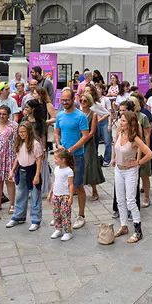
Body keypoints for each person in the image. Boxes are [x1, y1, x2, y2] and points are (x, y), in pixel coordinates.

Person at [112, 111, 152, 243]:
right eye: (120, 119)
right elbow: (116, 147)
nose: (120, 122)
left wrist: (138, 162)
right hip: (118, 169)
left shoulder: (135, 139)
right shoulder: (120, 133)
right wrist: (114, 158)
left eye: (123, 120)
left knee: (130, 200)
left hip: (130, 171)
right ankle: (123, 226)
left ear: (130, 123)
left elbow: (149, 153)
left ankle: (138, 230)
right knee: (120, 200)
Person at [55, 89, 89, 228]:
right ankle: (62, 214)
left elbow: (85, 136)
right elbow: (57, 133)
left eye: (67, 100)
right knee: (61, 185)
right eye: (62, 100)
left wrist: (72, 149)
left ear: (73, 99)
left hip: (77, 155)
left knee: (77, 185)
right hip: (63, 156)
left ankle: (81, 215)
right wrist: (58, 144)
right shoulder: (60, 115)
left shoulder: (80, 116)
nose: (64, 102)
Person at [7, 123, 44, 231]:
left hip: (32, 171)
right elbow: (17, 158)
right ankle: (18, 216)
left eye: (23, 132)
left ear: (29, 132)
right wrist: (12, 171)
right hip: (21, 171)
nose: (21, 134)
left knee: (35, 196)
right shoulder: (19, 143)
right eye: (20, 132)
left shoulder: (35, 144)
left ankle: (35, 220)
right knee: (20, 195)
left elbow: (39, 160)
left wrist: (37, 175)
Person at [79, 93, 105, 200]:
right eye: (81, 101)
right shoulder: (79, 114)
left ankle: (95, 191)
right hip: (79, 142)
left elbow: (92, 132)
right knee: (79, 165)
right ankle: (78, 189)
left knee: (90, 165)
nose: (83, 103)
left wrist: (83, 140)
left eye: (85, 101)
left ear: (89, 102)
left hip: (88, 143)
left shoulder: (93, 114)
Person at [48, 148, 75, 241]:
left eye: (56, 158)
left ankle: (68, 232)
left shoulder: (69, 171)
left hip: (65, 196)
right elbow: (54, 182)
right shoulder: (56, 169)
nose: (54, 160)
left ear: (63, 159)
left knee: (65, 214)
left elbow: (71, 185)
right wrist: (50, 193)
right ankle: (58, 229)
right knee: (56, 213)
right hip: (56, 195)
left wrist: (70, 197)